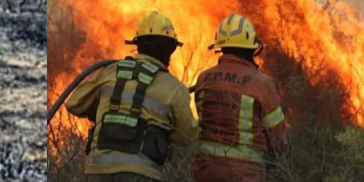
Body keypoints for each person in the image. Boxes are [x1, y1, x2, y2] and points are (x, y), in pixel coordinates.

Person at [66, 11, 199, 181]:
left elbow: (74, 104)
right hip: (141, 172)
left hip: (98, 169)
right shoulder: (175, 88)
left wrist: (102, 110)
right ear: (170, 50)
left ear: (138, 45)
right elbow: (187, 136)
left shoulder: (111, 71)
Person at [193, 13, 288, 182]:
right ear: (252, 48)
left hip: (206, 170)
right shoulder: (262, 83)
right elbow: (278, 136)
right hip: (246, 174)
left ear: (220, 47)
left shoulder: (204, 78)